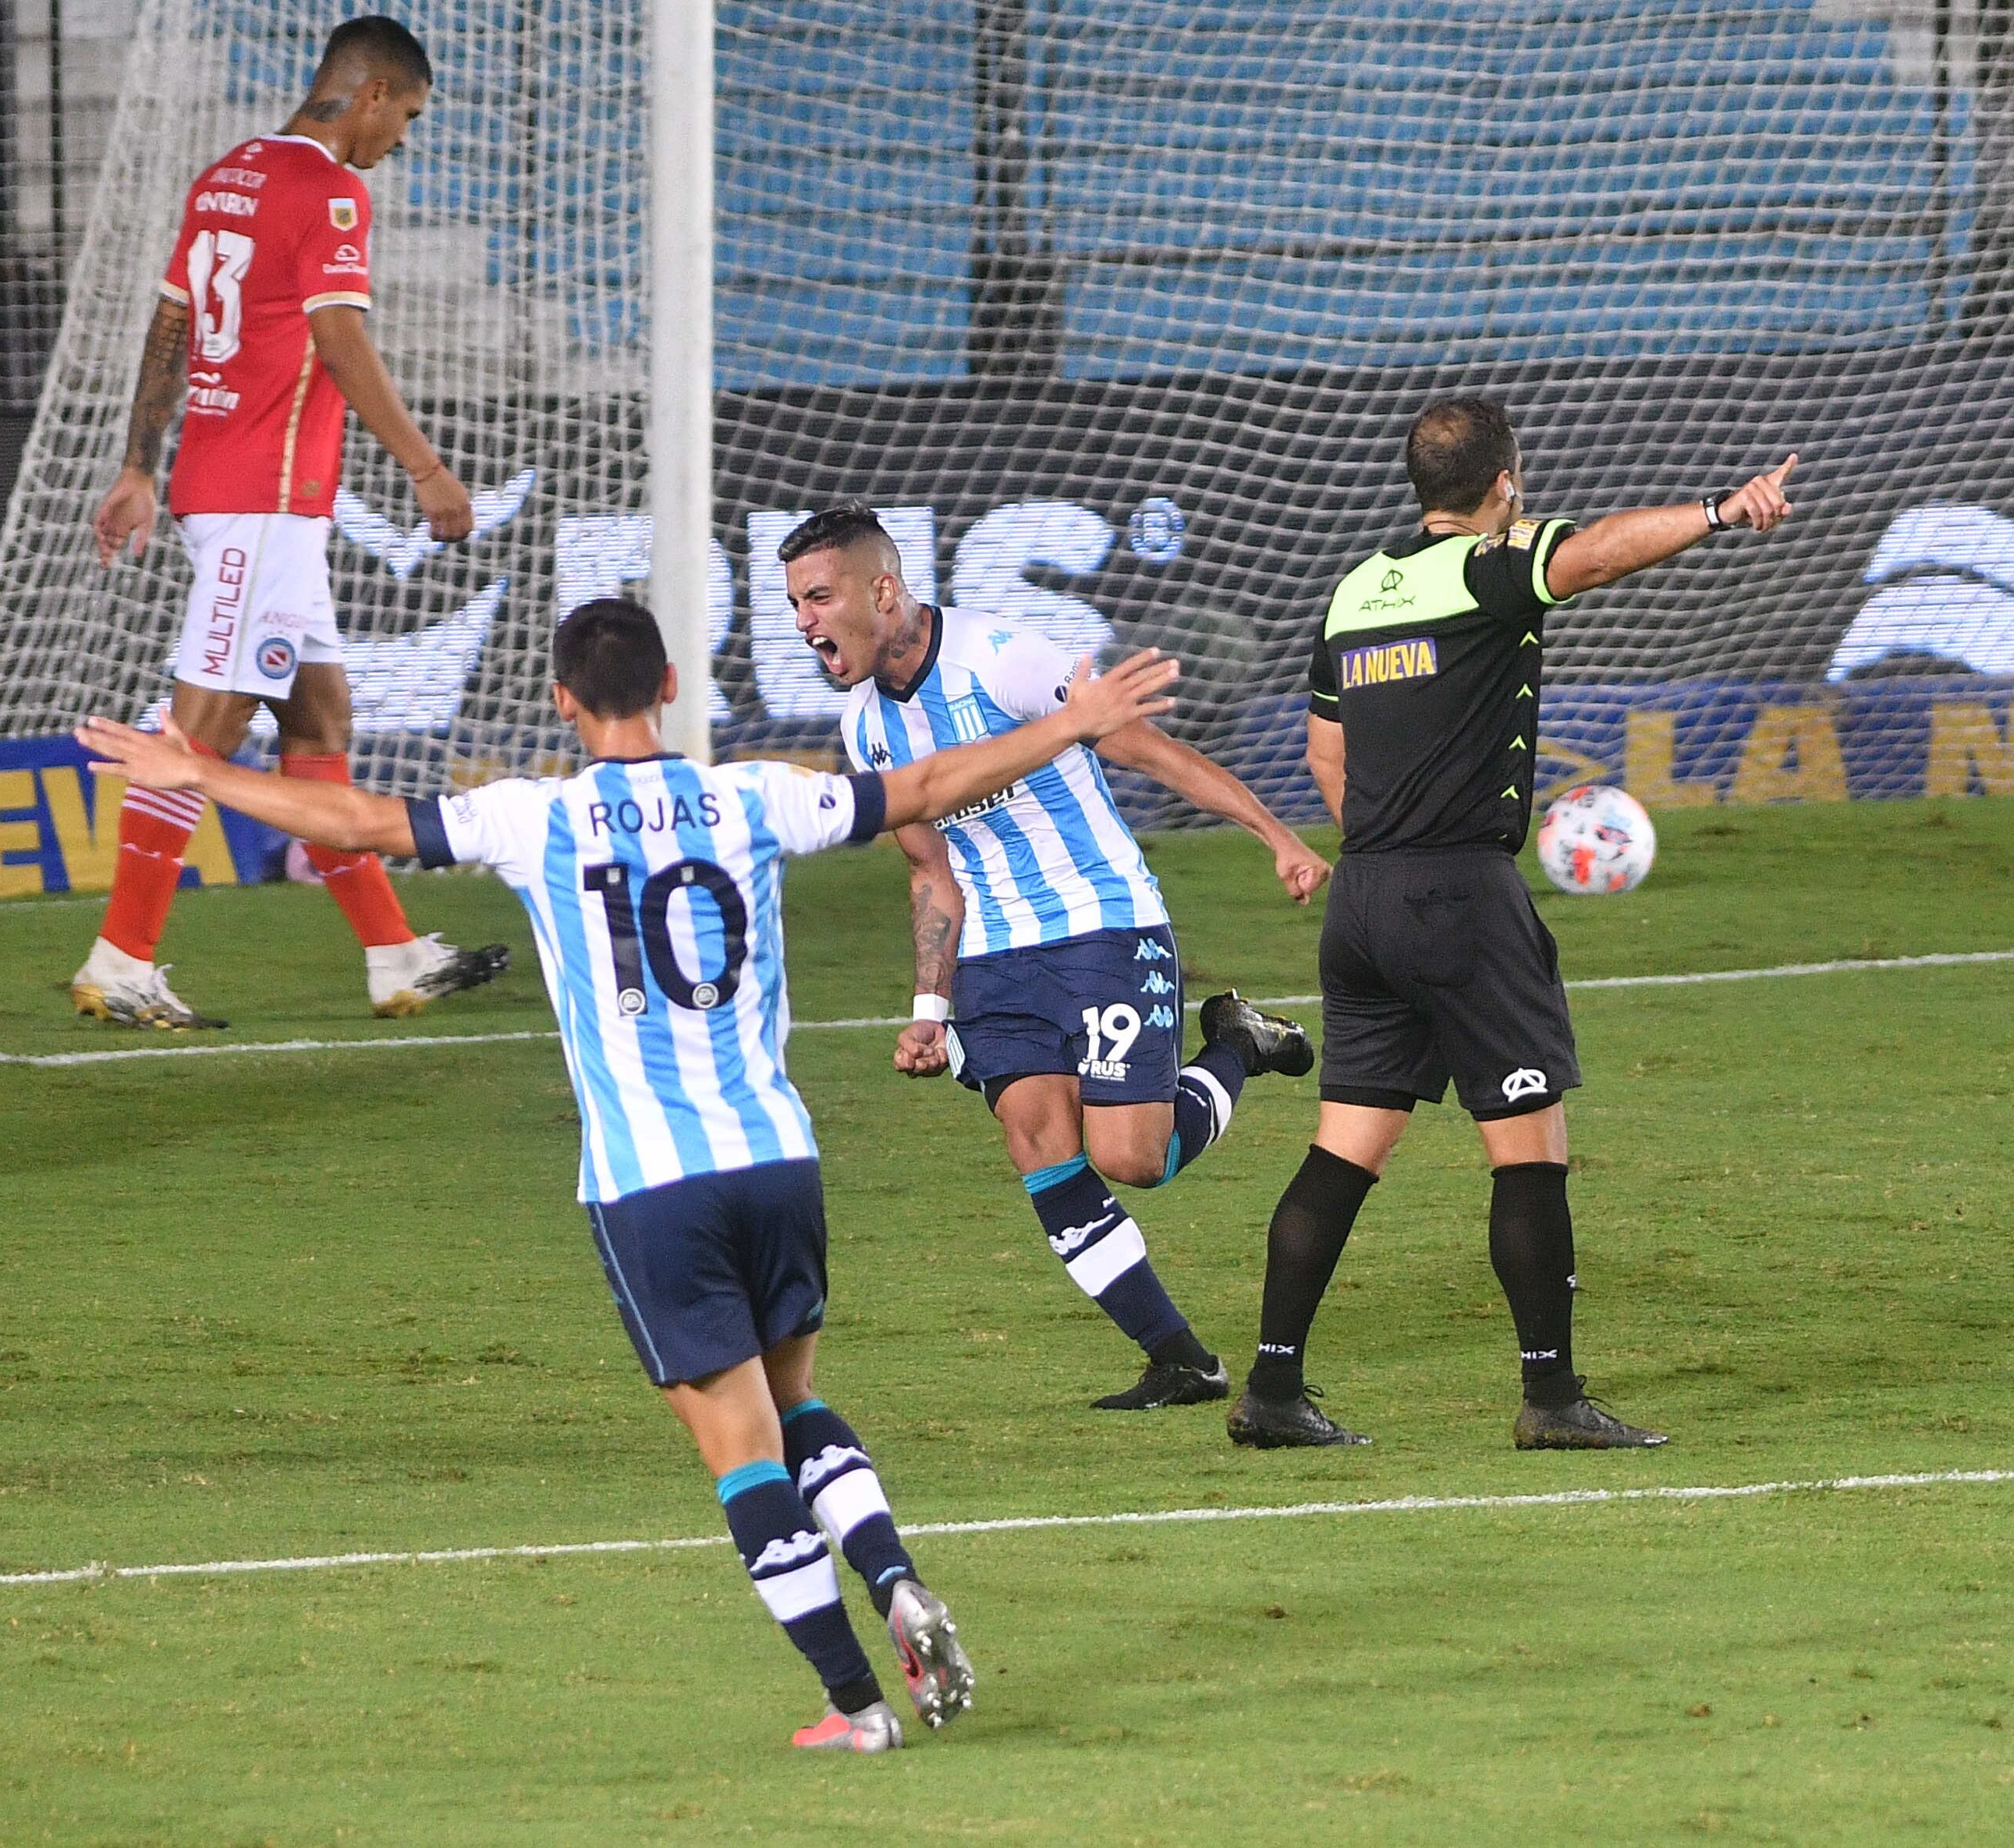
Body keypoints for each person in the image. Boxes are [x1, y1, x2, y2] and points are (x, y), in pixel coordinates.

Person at [80, 598, 1185, 1750]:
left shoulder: (532, 817)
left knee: (738, 1448)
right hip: (777, 1157)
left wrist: (195, 768)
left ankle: (855, 1703)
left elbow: (354, 818)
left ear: (563, 699)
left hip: (653, 1182)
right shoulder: (752, 794)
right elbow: (920, 788)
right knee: (795, 1401)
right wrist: (1073, 722)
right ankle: (893, 1574)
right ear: (669, 686)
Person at [1229, 396, 1796, 1450]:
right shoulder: (1492, 564)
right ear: (1505, 483)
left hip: (1362, 899)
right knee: (1528, 1152)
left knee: (1345, 1148)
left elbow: (1325, 753)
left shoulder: (1356, 590)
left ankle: (1270, 1392)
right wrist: (1718, 510)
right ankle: (1552, 1398)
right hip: (1460, 903)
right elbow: (1589, 560)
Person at [778, 504, 1329, 1411]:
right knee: (1037, 1133)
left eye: (818, 596)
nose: (804, 620)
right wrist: (929, 1007)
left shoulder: (1006, 659)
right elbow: (930, 873)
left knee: (1133, 1157)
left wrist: (1275, 835)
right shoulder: (865, 726)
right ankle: (1180, 1358)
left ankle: (1237, 1044)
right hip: (995, 954)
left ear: (882, 589)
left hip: (1102, 925)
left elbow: (1150, 753)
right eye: (794, 602)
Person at [70, 14, 505, 1029]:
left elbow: (173, 320)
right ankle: (121, 956)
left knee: (317, 723)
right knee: (201, 730)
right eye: (408, 117)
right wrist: (427, 469)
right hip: (259, 502)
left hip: (247, 496)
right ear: (373, 96)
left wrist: (141, 463)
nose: (403, 139)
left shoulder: (224, 177)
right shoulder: (330, 190)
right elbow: (339, 335)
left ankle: (395, 955)